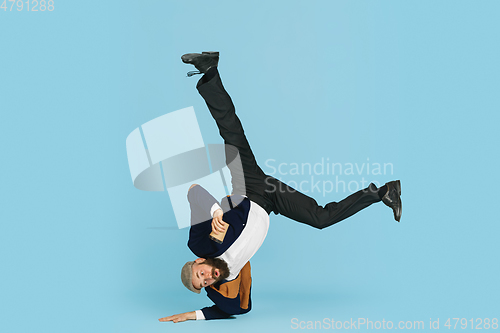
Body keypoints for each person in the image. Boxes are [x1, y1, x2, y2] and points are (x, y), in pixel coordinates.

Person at [158, 51, 402, 323]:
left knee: (231, 132)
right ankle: (384, 192)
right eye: (202, 284)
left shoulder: (199, 243)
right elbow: (238, 310)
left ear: (198, 263)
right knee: (320, 218)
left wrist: (216, 212)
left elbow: (193, 192)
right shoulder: (228, 276)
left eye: (199, 274)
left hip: (247, 187)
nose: (205, 279)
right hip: (271, 200)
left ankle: (209, 71)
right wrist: (194, 315)